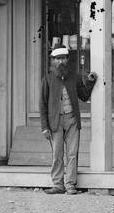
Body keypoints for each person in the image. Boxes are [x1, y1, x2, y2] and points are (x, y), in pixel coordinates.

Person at [40, 46, 98, 195]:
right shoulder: (48, 78)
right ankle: (58, 184)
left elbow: (84, 96)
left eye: (63, 58)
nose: (61, 61)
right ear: (53, 61)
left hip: (72, 119)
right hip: (55, 121)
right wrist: (44, 127)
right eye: (58, 59)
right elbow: (43, 104)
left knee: (72, 153)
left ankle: (70, 185)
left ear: (67, 60)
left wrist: (90, 83)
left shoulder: (75, 77)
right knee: (57, 154)